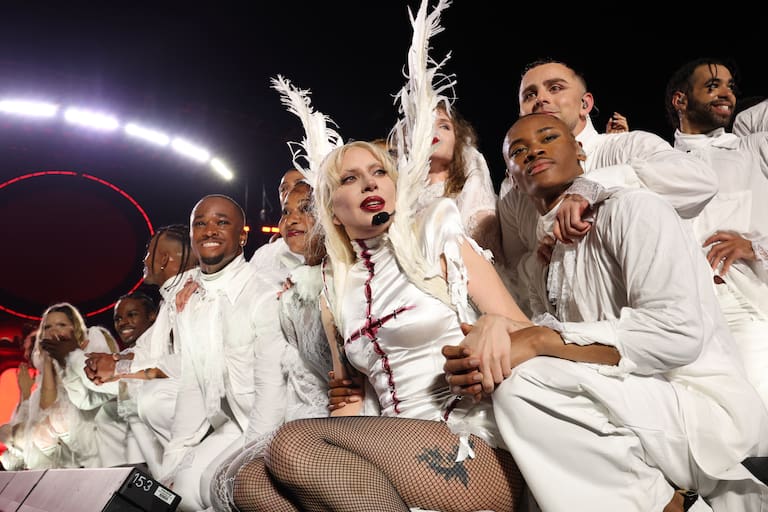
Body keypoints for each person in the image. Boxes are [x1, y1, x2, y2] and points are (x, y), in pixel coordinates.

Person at [446, 112, 768, 512]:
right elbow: (553, 344)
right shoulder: (544, 260)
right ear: (511, 177)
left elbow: (676, 335)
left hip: (698, 408)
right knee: (499, 391)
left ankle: (664, 503)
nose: (535, 152)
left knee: (525, 383)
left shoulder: (635, 209)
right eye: (519, 151)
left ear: (580, 152)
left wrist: (541, 341)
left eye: (548, 137)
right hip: (626, 403)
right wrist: (485, 358)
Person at [497, 58, 718, 315]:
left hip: (674, 325)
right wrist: (541, 259)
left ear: (585, 104)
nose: (541, 99)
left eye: (555, 88)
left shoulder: (627, 147)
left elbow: (700, 180)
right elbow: (514, 268)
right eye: (529, 95)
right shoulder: (513, 193)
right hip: (576, 339)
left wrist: (591, 186)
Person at [159, 195, 289, 511]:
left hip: (279, 422)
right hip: (234, 420)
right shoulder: (189, 300)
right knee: (179, 494)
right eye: (200, 223)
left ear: (242, 236)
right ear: (191, 235)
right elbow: (192, 385)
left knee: (213, 485)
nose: (209, 230)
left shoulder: (263, 294)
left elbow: (273, 395)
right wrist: (171, 466)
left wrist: (252, 460)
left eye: (222, 222)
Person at [210, 180, 333, 512]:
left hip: (342, 417)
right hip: (294, 414)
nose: (291, 219)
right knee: (226, 482)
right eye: (286, 212)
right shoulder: (284, 289)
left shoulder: (342, 278)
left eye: (305, 210)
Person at [664, 57, 768, 408]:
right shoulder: (659, 161)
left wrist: (757, 246)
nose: (727, 94)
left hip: (745, 309)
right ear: (681, 100)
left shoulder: (755, 150)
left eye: (730, 87)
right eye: (713, 86)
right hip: (682, 317)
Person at [250, 168, 306, 284]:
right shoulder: (264, 254)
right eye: (284, 188)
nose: (290, 191)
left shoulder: (339, 251)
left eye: (299, 183)